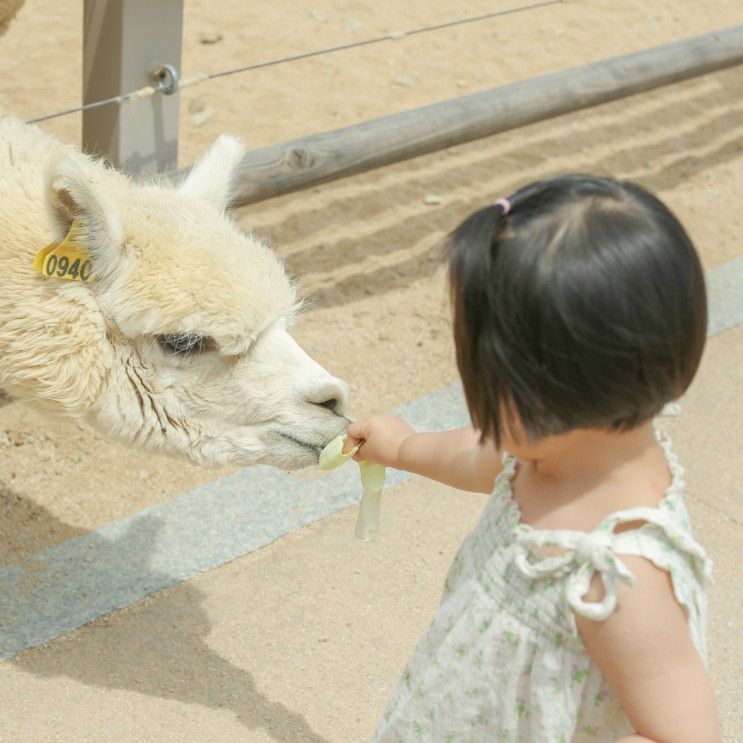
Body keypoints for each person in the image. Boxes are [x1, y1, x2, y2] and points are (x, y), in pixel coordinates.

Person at [346, 175, 719, 742]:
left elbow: (684, 733)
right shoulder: (537, 450)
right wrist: (401, 447)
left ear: (535, 397)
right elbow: (474, 455)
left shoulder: (619, 575)